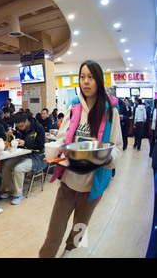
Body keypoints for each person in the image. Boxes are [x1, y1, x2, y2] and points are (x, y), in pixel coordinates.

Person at [39, 60, 122, 258]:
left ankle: (71, 252)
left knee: (79, 231)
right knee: (54, 233)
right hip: (68, 185)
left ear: (99, 80)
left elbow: (117, 147)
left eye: (91, 77)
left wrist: (109, 159)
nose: (86, 81)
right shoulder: (73, 109)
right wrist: (54, 154)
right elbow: (61, 140)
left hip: (92, 189)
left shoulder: (111, 112)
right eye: (82, 77)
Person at [0, 111, 47, 205]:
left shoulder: (39, 128)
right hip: (22, 154)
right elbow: (16, 141)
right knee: (6, 166)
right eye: (17, 126)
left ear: (26, 121)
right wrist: (11, 136)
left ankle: (18, 194)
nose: (20, 128)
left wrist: (25, 143)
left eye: (21, 126)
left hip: (37, 156)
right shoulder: (19, 129)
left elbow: (40, 145)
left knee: (18, 169)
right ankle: (10, 190)